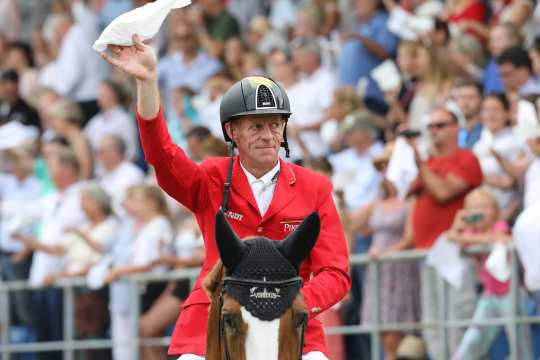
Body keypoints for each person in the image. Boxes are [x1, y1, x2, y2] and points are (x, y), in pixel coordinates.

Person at [101, 33, 351, 360]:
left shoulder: (315, 187)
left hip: (291, 321)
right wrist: (147, 83)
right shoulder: (211, 177)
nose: (268, 136)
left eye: (275, 126)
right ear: (232, 132)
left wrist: (294, 300)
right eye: (256, 127)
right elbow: (162, 157)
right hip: (215, 316)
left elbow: (336, 272)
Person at [395, 108, 483, 358]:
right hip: (427, 253)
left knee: (457, 316)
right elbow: (398, 191)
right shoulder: (428, 162)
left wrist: (418, 160)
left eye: (440, 125)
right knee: (433, 320)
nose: (433, 131)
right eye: (430, 126)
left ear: (457, 127)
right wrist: (400, 157)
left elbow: (443, 192)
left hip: (455, 252)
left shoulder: (466, 158)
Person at [350, 142, 421, 360]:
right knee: (383, 334)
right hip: (379, 269)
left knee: (394, 336)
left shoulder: (410, 199)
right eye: (381, 167)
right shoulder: (378, 202)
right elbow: (351, 224)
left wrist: (385, 253)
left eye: (388, 165)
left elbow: (410, 238)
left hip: (398, 268)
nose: (384, 172)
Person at [449, 189, 533, 360]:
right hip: (490, 296)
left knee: (519, 345)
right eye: (474, 208)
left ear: (495, 210)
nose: (479, 211)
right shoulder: (471, 232)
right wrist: (459, 221)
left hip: (512, 293)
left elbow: (498, 237)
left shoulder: (499, 225)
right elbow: (451, 237)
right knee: (471, 342)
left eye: (484, 207)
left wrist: (469, 239)